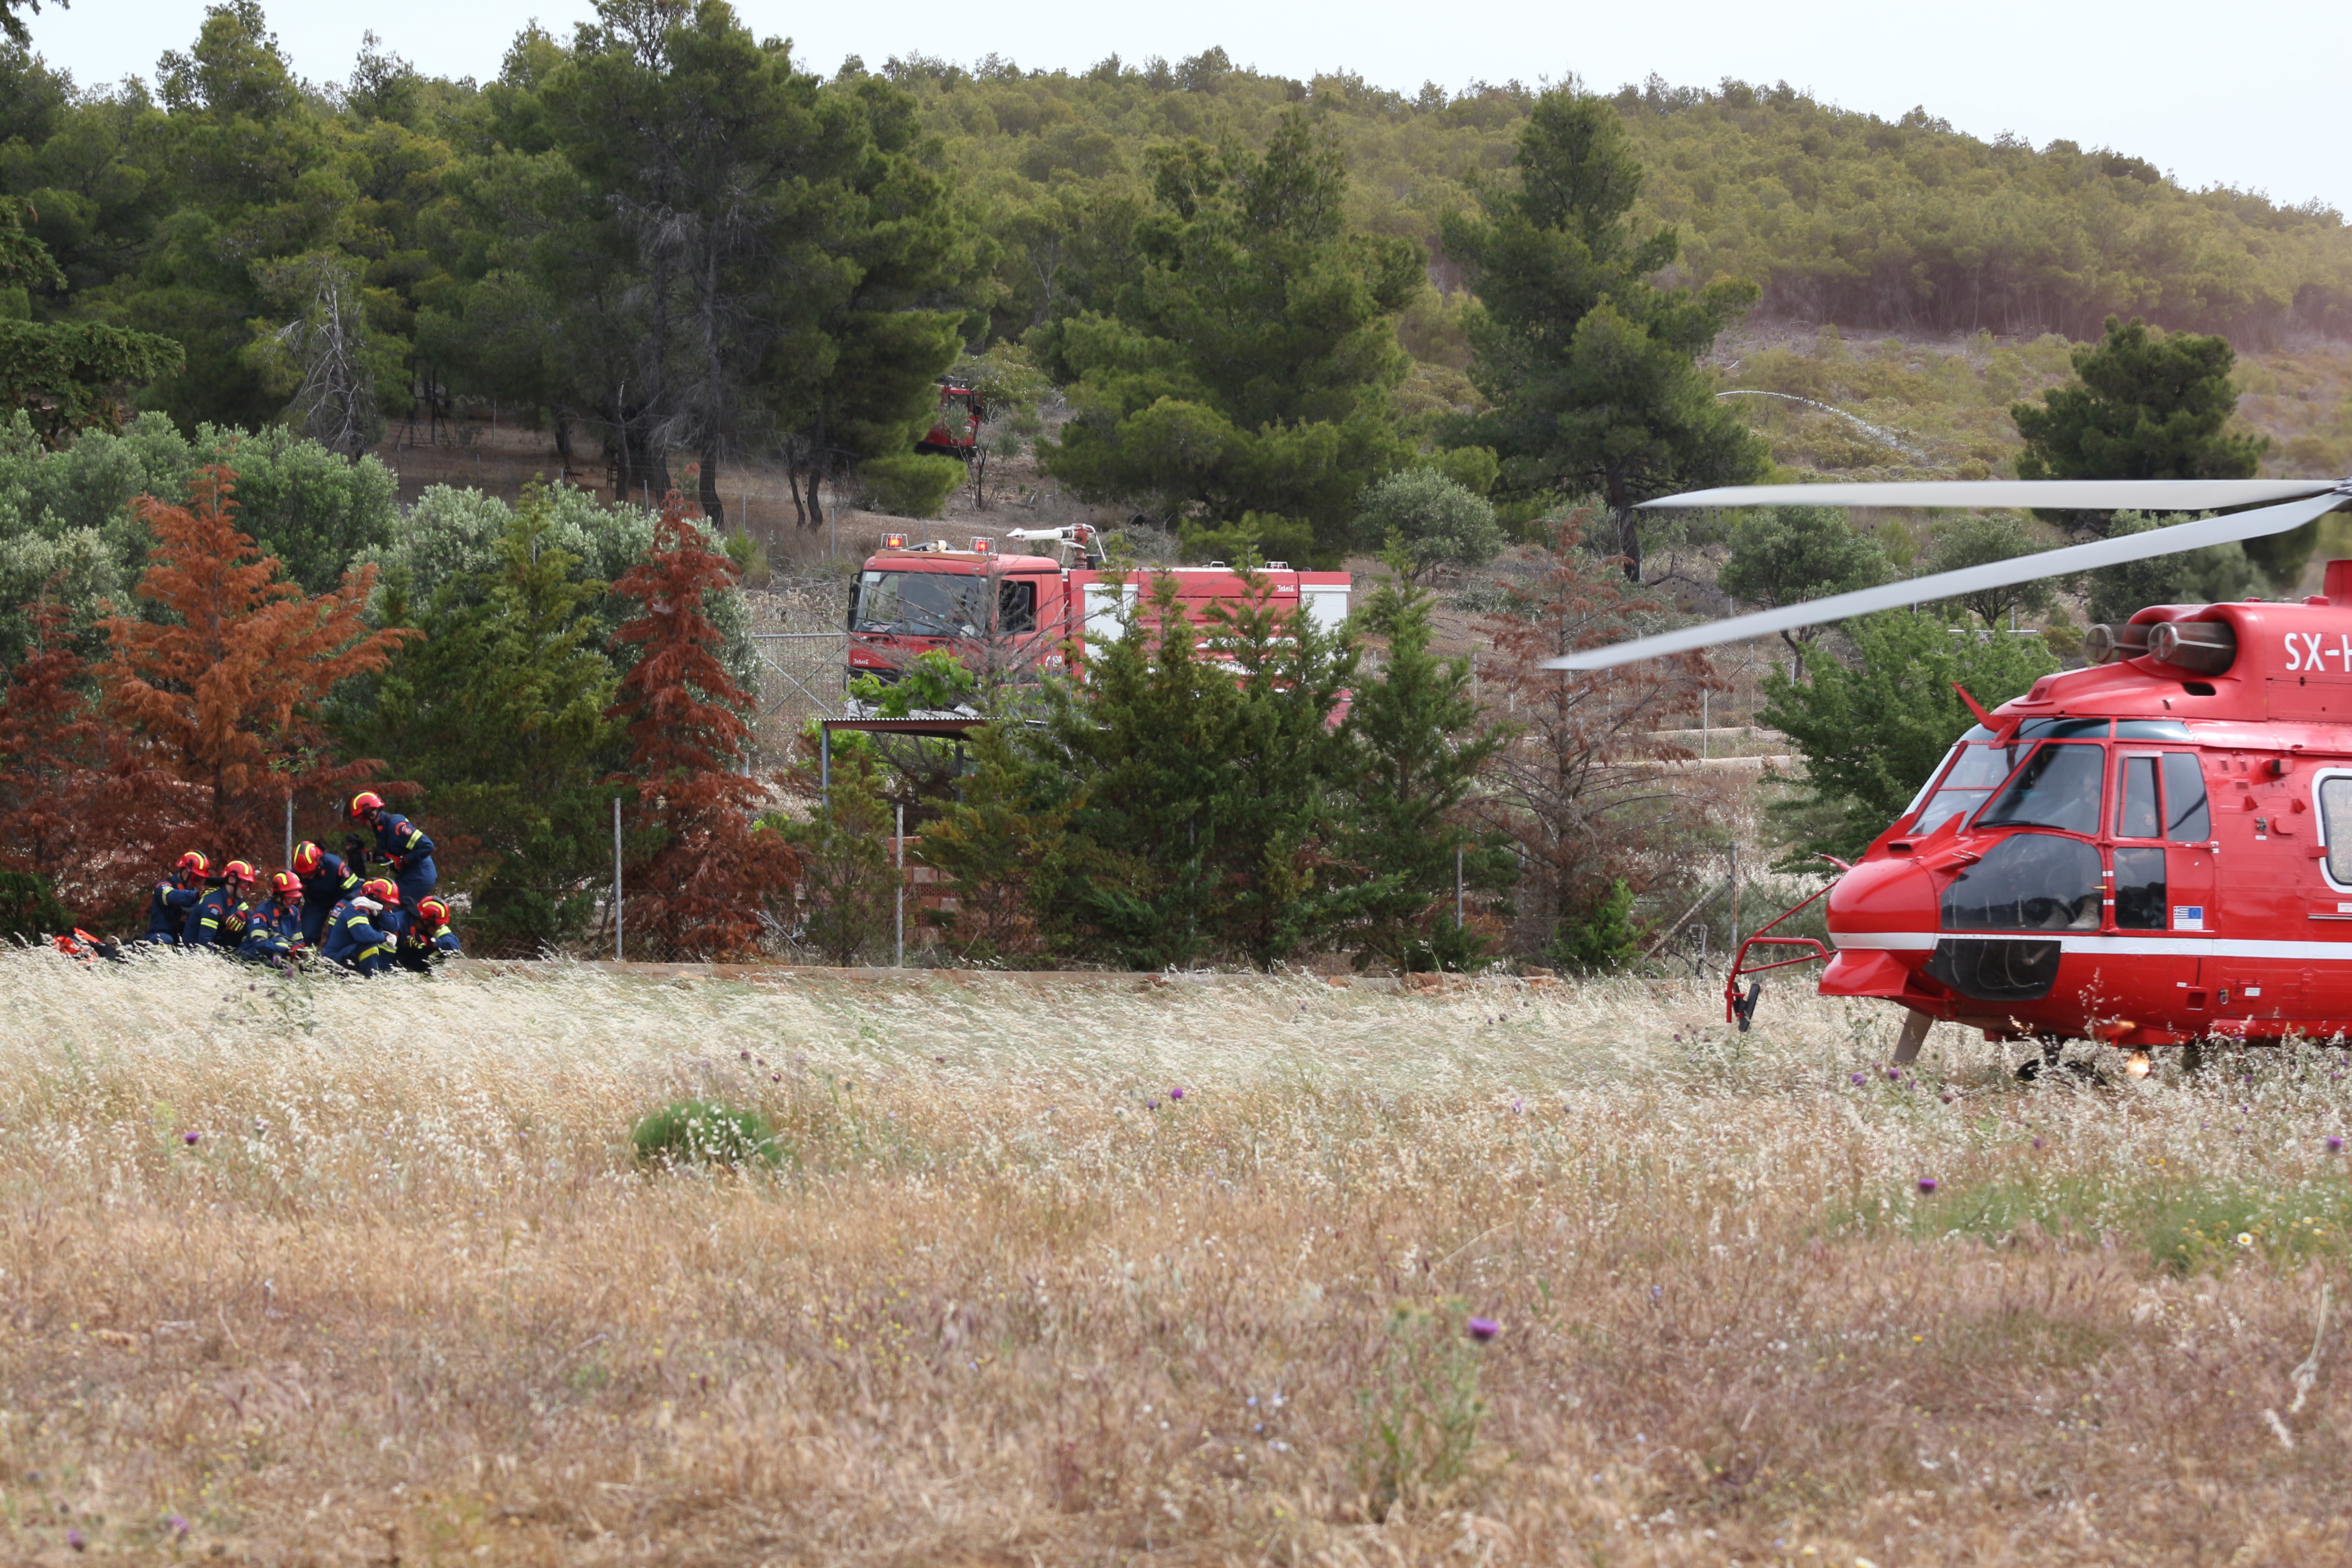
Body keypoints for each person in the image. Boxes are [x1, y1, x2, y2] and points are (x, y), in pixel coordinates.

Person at [349, 792, 437, 911]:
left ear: (372, 814)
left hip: (420, 875)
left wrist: (404, 860)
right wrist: (367, 857)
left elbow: (428, 846)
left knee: (390, 908)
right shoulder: (380, 829)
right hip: (407, 874)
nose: (361, 823)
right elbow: (389, 857)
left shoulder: (397, 827)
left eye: (362, 819)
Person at [321, 877, 401, 975]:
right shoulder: (357, 908)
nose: (392, 906)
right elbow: (365, 936)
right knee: (370, 946)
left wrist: (381, 914)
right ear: (378, 899)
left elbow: (394, 926)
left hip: (351, 953)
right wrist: (386, 938)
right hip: (335, 958)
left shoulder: (377, 910)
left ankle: (376, 974)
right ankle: (372, 980)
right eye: (389, 903)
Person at [291, 840, 362, 946]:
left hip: (341, 898)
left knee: (337, 927)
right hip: (316, 902)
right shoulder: (298, 870)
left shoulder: (335, 866)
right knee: (307, 933)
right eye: (303, 874)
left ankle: (333, 954)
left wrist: (344, 905)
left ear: (319, 862)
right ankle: (309, 958)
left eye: (310, 872)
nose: (305, 876)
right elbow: (292, 897)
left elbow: (355, 890)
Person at [183, 860, 257, 949]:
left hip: (218, 943)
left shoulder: (237, 899)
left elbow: (251, 917)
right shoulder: (214, 905)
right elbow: (204, 944)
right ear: (231, 880)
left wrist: (244, 915)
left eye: (249, 885)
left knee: (249, 927)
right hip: (194, 952)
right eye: (244, 883)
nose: (248, 889)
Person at [236, 872, 305, 965]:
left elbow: (298, 941)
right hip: (251, 953)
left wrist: (301, 953)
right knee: (280, 942)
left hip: (279, 956)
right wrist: (285, 951)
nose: (292, 902)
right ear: (278, 895)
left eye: (295, 899)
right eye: (289, 898)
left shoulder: (294, 912)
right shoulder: (263, 912)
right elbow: (260, 943)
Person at [143, 851, 209, 944]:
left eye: (202, 880)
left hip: (184, 939)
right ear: (186, 873)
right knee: (165, 941)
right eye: (197, 879)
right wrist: (197, 896)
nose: (198, 883)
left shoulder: (194, 894)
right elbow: (171, 897)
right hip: (161, 935)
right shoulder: (162, 886)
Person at [396, 896, 463, 972]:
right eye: (437, 925)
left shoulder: (436, 928)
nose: (439, 927)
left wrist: (430, 942)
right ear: (426, 922)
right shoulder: (399, 922)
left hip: (415, 968)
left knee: (442, 948)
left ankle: (431, 976)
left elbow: (454, 944)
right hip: (394, 967)